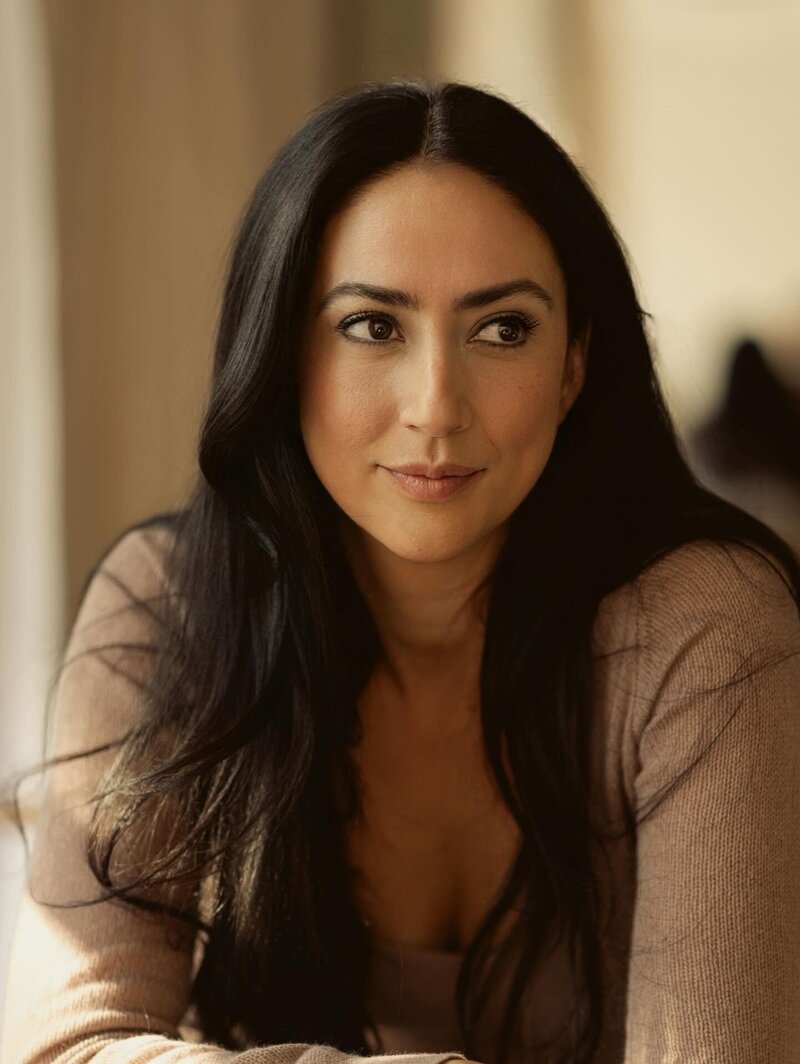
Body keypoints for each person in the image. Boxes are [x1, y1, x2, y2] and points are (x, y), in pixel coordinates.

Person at [2, 78, 799, 1064]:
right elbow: (66, 1047)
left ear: (573, 365)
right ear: (283, 353)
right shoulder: (169, 603)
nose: (435, 407)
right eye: (373, 326)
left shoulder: (709, 627)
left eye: (502, 329)